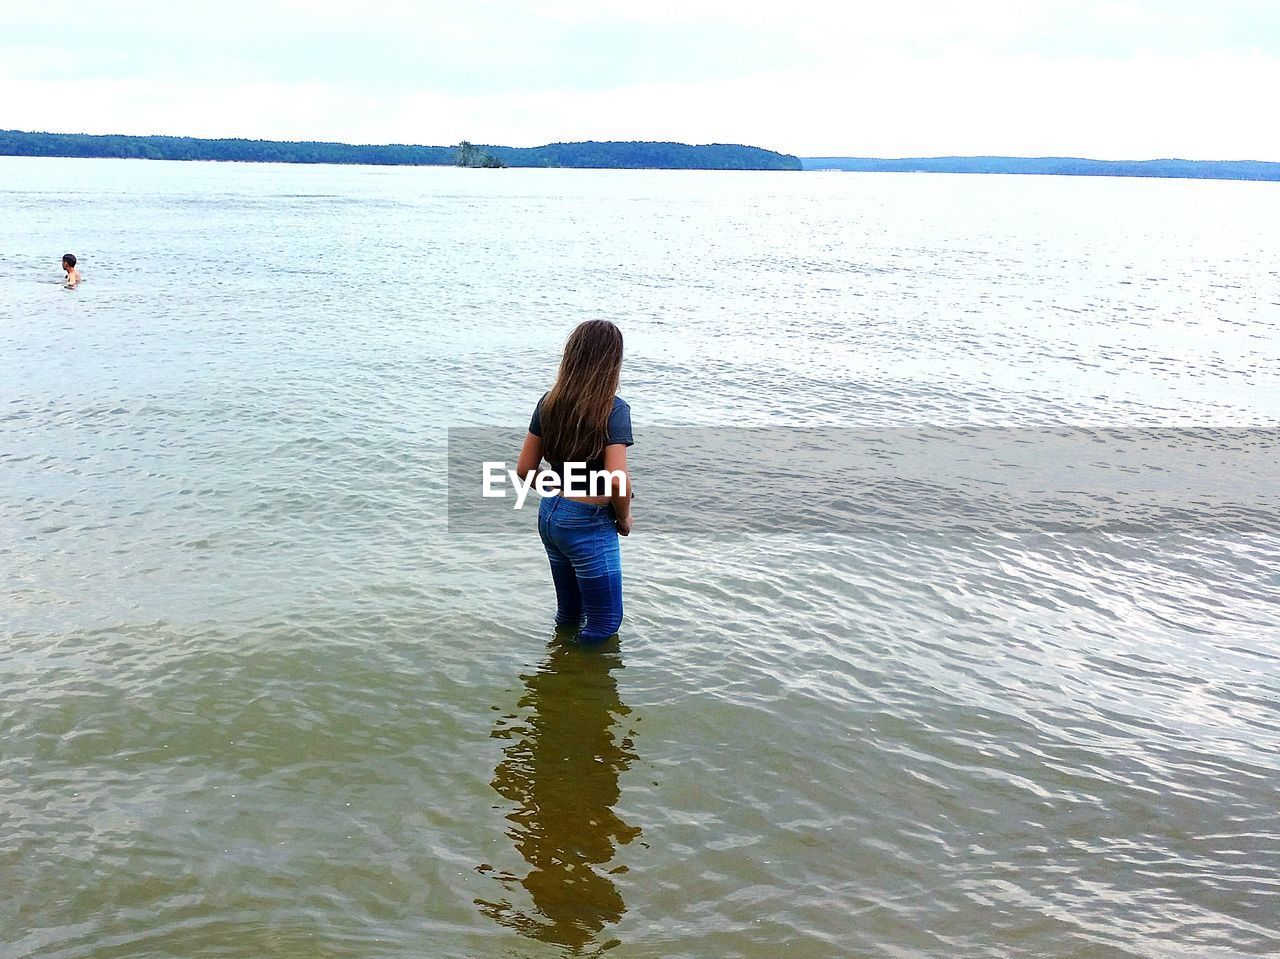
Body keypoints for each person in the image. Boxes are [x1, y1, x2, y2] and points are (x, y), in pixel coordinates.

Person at [517, 320, 633, 642]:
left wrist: (563, 490)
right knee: (605, 623)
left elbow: (525, 470)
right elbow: (617, 482)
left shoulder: (548, 402)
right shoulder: (613, 410)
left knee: (570, 613)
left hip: (550, 515)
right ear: (612, 362)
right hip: (588, 522)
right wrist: (623, 518)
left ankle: (553, 673)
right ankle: (570, 686)